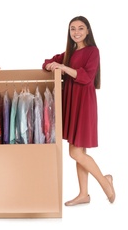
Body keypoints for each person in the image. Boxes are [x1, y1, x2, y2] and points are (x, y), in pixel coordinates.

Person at [42, 16, 115, 206]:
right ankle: (84, 194)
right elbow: (48, 61)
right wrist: (51, 65)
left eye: (80, 28)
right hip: (72, 102)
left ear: (88, 31)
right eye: (73, 29)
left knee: (75, 152)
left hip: (84, 103)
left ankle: (105, 182)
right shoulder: (70, 52)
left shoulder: (93, 51)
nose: (76, 32)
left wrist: (63, 67)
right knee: (78, 149)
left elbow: (86, 77)